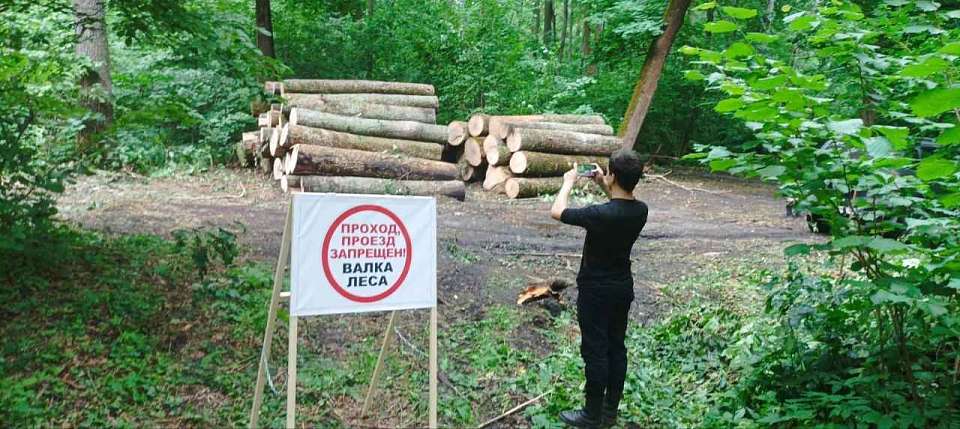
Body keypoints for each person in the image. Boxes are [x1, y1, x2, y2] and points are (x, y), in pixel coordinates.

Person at [550, 149, 648, 428]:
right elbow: (620, 204)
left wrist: (568, 182)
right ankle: (609, 411)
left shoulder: (599, 214)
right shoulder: (640, 211)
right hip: (621, 288)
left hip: (595, 291)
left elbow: (557, 211)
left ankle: (591, 416)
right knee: (617, 348)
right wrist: (604, 185)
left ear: (613, 174)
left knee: (595, 351)